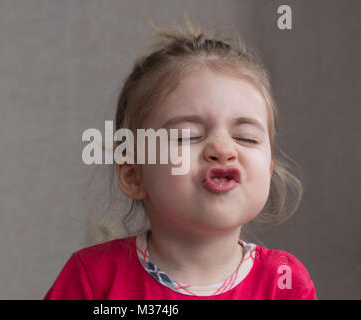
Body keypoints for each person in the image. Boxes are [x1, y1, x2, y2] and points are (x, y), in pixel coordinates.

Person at [44, 17, 317, 300]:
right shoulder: (92, 278)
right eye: (187, 136)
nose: (224, 149)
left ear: (269, 170)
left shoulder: (284, 282)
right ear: (133, 175)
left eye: (245, 138)